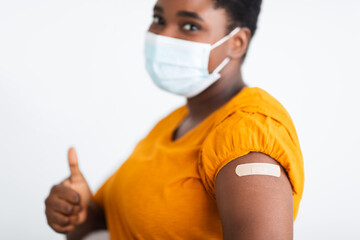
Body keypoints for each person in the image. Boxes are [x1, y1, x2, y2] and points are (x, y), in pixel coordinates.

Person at [45, 0, 304, 239]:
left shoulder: (247, 134)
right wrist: (80, 212)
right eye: (158, 19)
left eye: (190, 25)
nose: (163, 36)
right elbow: (119, 224)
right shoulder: (175, 122)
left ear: (237, 42)